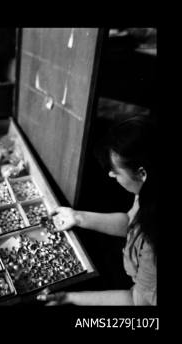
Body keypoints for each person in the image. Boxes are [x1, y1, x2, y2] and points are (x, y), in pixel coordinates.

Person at [38, 115, 158, 306]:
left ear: (142, 173)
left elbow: (136, 301)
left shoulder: (152, 245)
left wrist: (69, 298)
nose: (111, 174)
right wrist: (78, 217)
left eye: (116, 171)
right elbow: (130, 221)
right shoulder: (150, 187)